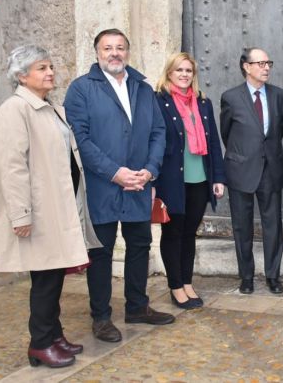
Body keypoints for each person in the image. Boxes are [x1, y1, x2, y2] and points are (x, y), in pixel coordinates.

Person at [0, 45, 102, 368]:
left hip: (57, 206)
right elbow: (13, 167)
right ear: (22, 76)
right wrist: (20, 214)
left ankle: (53, 335)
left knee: (54, 274)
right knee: (44, 278)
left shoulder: (48, 107)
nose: (50, 72)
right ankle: (40, 342)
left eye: (51, 66)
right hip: (38, 210)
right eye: (42, 68)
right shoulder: (14, 110)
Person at [64, 28, 174, 343]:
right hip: (103, 185)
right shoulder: (81, 89)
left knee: (140, 244)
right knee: (101, 252)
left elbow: (158, 132)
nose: (115, 53)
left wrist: (149, 170)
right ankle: (100, 318)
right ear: (97, 52)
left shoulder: (141, 88)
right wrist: (115, 173)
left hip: (139, 184)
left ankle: (137, 307)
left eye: (120, 47)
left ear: (128, 51)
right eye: (108, 48)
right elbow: (80, 140)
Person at [154, 52, 226, 309]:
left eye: (188, 71)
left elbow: (214, 142)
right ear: (169, 73)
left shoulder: (202, 102)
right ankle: (175, 285)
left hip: (199, 178)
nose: (184, 75)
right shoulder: (158, 101)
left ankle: (187, 282)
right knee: (173, 233)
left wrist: (218, 177)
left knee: (189, 234)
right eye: (179, 70)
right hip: (172, 179)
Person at [220, 48, 283, 294]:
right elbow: (226, 133)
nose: (266, 67)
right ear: (246, 67)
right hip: (241, 169)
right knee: (242, 226)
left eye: (268, 62)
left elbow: (277, 131)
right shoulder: (231, 97)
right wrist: (243, 154)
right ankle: (246, 276)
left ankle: (273, 275)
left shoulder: (280, 96)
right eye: (260, 63)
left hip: (270, 168)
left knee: (273, 224)